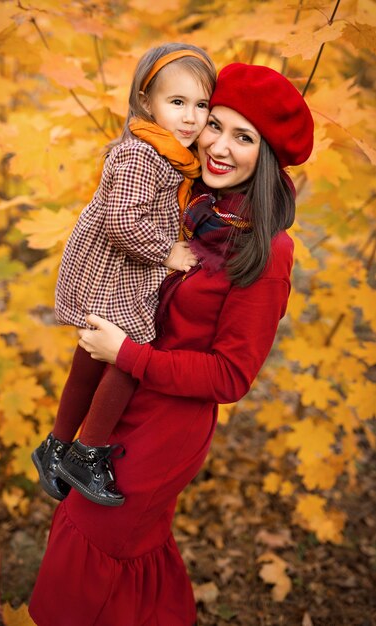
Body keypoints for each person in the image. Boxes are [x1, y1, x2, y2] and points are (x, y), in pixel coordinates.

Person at [29, 62, 314, 626]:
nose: (220, 146)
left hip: (163, 430)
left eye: (244, 137)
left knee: (102, 550)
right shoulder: (195, 206)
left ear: (269, 156)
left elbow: (229, 377)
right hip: (115, 404)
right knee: (103, 546)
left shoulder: (267, 252)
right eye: (216, 124)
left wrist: (126, 353)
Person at [31, 43, 216, 506]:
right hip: (115, 269)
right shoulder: (143, 156)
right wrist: (167, 253)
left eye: (201, 104)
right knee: (130, 354)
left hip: (121, 268)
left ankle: (54, 446)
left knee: (93, 356)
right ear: (146, 102)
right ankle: (86, 452)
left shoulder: (169, 154)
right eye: (177, 102)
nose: (191, 117)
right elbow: (121, 221)